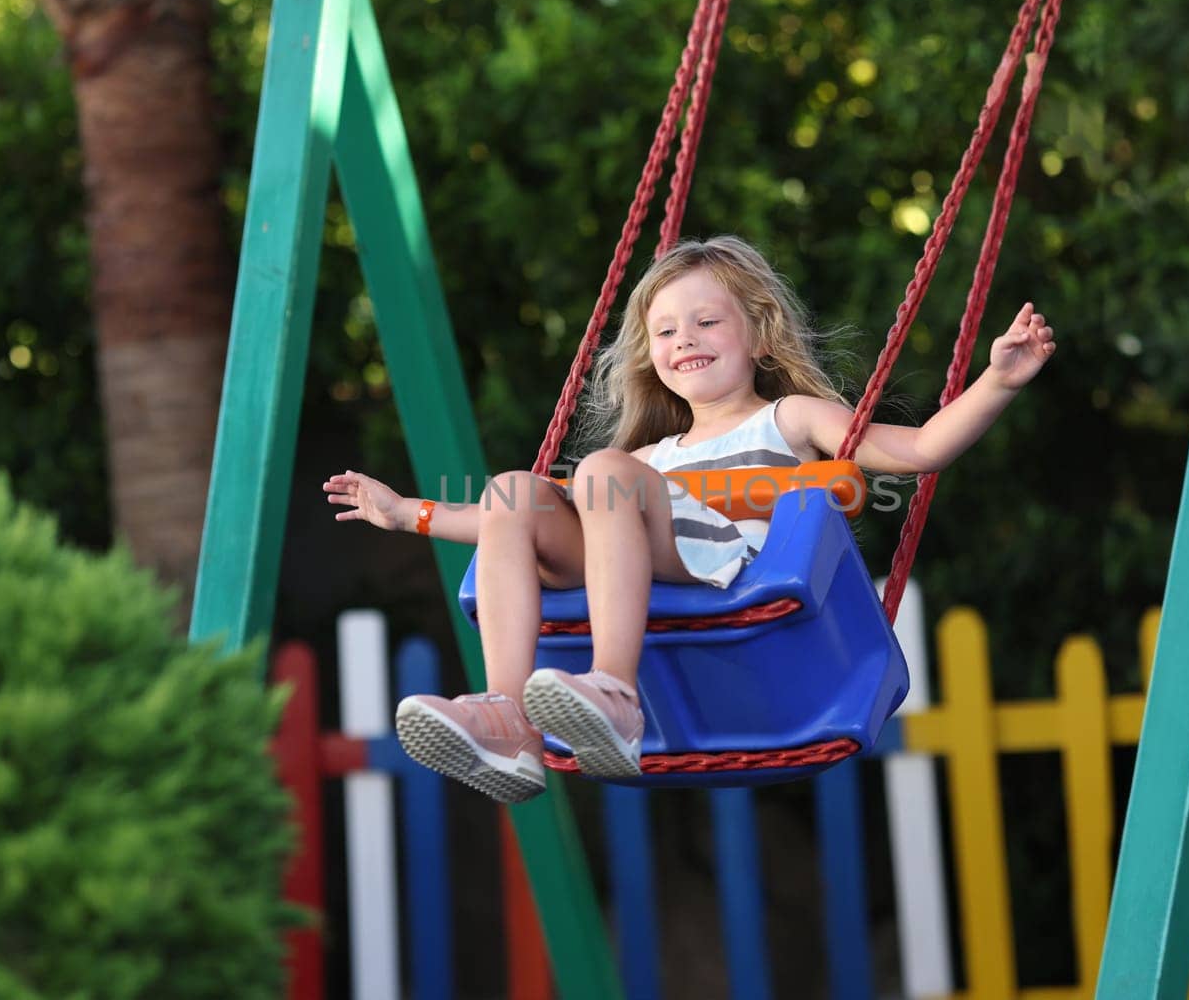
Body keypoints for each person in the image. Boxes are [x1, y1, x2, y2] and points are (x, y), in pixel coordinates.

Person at [323, 236, 1055, 802]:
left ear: (760, 335)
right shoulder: (651, 453)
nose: (685, 340)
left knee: (602, 474)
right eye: (667, 332)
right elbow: (502, 519)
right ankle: (510, 719)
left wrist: (997, 379)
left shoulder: (786, 418)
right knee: (520, 487)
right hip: (640, 557)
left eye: (707, 320)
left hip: (726, 563)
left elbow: (920, 450)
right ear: (651, 356)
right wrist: (406, 513)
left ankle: (614, 689)